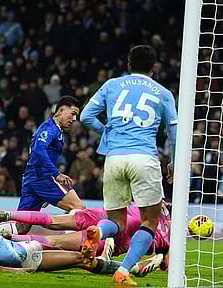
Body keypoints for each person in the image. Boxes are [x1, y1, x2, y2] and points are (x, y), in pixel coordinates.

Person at [80, 45, 177, 285]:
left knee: (116, 222)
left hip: (113, 158)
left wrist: (107, 132)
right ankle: (123, 271)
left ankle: (99, 232)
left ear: (128, 65)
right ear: (153, 68)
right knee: (149, 221)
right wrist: (174, 162)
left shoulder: (112, 85)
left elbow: (85, 116)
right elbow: (174, 132)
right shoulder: (163, 92)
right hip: (143, 157)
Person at [0, 189, 123, 275]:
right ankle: (125, 268)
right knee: (81, 258)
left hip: (24, 247)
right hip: (28, 257)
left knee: (78, 255)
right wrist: (17, 271)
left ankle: (119, 264)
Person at [0, 202, 171, 276]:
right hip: (125, 230)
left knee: (53, 229)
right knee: (62, 247)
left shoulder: (146, 203)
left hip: (107, 215)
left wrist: (9, 214)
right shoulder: (167, 227)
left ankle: (107, 242)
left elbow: (49, 220)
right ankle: (132, 266)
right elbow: (165, 263)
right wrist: (163, 257)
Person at [17, 96, 84, 234]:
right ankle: (73, 243)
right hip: (44, 178)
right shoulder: (50, 128)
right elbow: (38, 149)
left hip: (32, 179)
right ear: (60, 110)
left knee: (21, 227)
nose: (74, 119)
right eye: (73, 113)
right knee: (79, 207)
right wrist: (56, 174)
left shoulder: (56, 131)